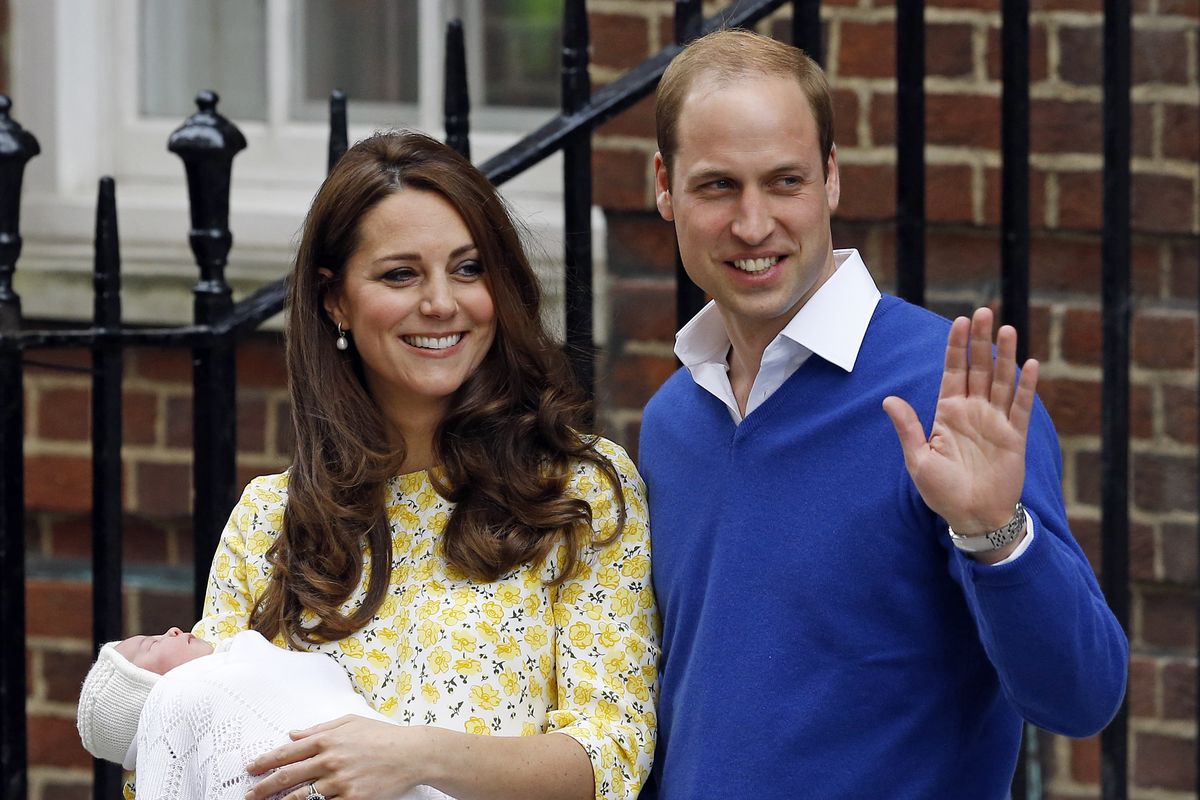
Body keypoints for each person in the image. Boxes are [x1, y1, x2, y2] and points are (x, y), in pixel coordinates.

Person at [637, 29, 1127, 799]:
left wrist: (996, 537)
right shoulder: (672, 420)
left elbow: (1081, 698)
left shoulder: (953, 397)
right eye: (718, 186)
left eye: (785, 181)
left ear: (831, 177)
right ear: (665, 185)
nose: (754, 223)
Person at [184, 131, 656, 800]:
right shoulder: (271, 519)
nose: (441, 302)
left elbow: (612, 755)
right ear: (334, 298)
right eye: (400, 274)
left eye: (468, 269)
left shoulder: (578, 490)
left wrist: (417, 758)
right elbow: (186, 742)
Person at [76, 627, 447, 800]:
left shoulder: (247, 660)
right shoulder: (178, 696)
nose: (172, 631)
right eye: (151, 644)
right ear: (145, 695)